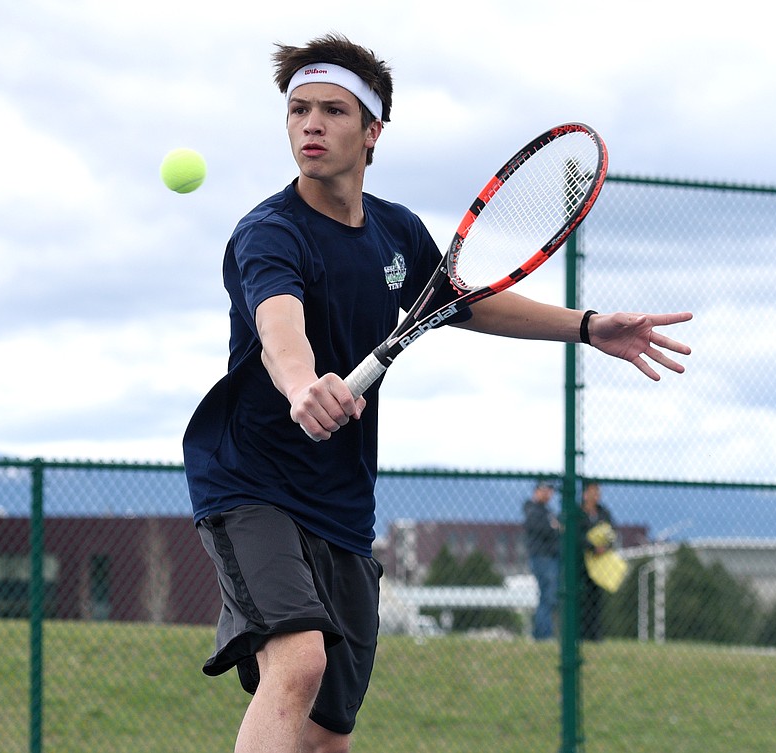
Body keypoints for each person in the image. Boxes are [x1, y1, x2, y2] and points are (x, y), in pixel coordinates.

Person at [182, 32, 693, 753]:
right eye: (298, 111)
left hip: (340, 502)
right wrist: (301, 385)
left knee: (328, 736)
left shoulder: (395, 232)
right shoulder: (268, 233)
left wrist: (587, 325)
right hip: (249, 484)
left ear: (373, 132)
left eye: (331, 110)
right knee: (297, 663)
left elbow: (464, 302)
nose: (310, 126)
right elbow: (278, 328)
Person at [523, 480, 561, 641]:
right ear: (537, 491)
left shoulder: (547, 511)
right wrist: (554, 528)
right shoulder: (534, 510)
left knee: (548, 597)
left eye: (550, 490)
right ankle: (543, 634)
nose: (548, 494)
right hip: (542, 557)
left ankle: (542, 632)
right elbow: (546, 530)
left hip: (549, 556)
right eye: (545, 490)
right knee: (547, 596)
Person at [579, 480, 615, 641]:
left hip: (599, 563)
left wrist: (604, 546)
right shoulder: (577, 512)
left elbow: (611, 532)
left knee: (596, 599)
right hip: (581, 562)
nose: (595, 496)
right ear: (585, 493)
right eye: (592, 492)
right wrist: (592, 547)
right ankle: (581, 634)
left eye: (597, 492)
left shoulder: (603, 512)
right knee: (581, 598)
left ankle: (595, 635)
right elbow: (575, 535)